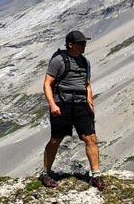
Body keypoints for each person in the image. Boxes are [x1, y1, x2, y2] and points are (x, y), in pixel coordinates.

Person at [40, 30, 107, 191]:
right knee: (56, 139)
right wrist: (52, 104)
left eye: (84, 43)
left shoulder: (85, 62)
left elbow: (87, 84)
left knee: (90, 138)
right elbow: (47, 84)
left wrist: (90, 103)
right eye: (81, 43)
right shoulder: (58, 61)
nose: (84, 46)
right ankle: (45, 172)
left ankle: (96, 174)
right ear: (71, 44)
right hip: (62, 104)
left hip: (81, 104)